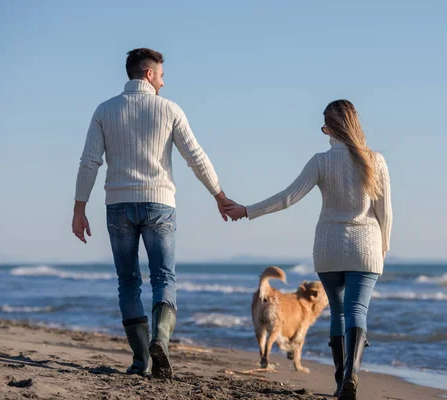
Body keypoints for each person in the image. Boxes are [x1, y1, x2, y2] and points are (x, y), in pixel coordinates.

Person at [72, 48, 233, 379]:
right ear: (148, 74)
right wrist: (219, 194)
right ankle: (161, 339)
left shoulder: (105, 110)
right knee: (164, 277)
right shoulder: (169, 109)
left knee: (128, 281)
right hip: (160, 203)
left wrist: (79, 207)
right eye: (160, 74)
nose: (164, 80)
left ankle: (140, 360)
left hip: (117, 205)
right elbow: (196, 157)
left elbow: (89, 161)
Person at [225, 99, 392, 399]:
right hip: (366, 247)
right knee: (357, 311)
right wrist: (384, 247)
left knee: (338, 313)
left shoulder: (321, 161)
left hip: (328, 247)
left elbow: (288, 197)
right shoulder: (375, 160)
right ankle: (352, 374)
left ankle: (342, 380)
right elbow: (385, 213)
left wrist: (247, 210)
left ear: (331, 128)